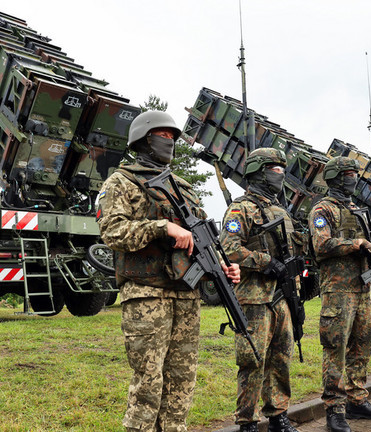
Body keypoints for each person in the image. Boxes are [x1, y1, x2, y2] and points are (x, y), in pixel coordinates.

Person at [97, 110, 240, 432]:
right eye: (164, 135)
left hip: (185, 295)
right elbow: (112, 231)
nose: (170, 142)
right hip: (147, 293)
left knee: (182, 381)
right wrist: (163, 228)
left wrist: (221, 265)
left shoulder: (182, 186)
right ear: (144, 139)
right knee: (148, 382)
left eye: (174, 137)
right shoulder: (121, 181)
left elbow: (201, 236)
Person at [219, 147, 299, 432]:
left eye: (281, 170)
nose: (280, 175)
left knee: (281, 357)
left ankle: (278, 415)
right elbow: (228, 247)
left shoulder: (281, 210)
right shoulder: (242, 208)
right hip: (254, 297)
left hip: (281, 297)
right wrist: (265, 262)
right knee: (252, 360)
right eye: (274, 170)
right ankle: (247, 422)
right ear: (257, 172)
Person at [308, 157, 371, 432]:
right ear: (334, 177)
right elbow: (321, 244)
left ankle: (357, 400)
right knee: (336, 349)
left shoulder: (358, 209)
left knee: (361, 346)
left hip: (363, 288)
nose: (352, 178)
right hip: (338, 291)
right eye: (347, 174)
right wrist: (356, 243)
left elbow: (370, 241)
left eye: (355, 173)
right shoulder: (323, 208)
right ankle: (335, 408)